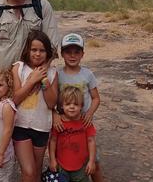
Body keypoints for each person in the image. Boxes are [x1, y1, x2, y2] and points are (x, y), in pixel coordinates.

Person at [53, 33, 103, 182]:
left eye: (77, 52)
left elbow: (96, 98)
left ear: (82, 54)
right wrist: (55, 114)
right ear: (62, 54)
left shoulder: (87, 74)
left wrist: (90, 113)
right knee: (66, 157)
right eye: (68, 52)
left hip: (84, 123)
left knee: (94, 161)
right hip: (64, 124)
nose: (72, 56)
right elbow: (51, 100)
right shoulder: (58, 75)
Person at [12, 30, 59, 182]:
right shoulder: (19, 68)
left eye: (42, 50)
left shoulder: (52, 73)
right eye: (34, 50)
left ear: (47, 53)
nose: (37, 54)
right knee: (29, 171)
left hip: (42, 127)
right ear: (27, 50)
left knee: (36, 172)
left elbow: (52, 103)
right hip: (21, 126)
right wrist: (32, 80)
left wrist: (44, 80)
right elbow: (15, 99)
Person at [49, 86, 97, 182]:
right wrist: (52, 160)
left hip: (81, 168)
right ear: (62, 105)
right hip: (61, 166)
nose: (72, 106)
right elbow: (52, 141)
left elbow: (91, 141)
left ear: (81, 106)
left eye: (75, 104)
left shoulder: (85, 122)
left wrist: (92, 161)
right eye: (68, 104)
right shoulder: (58, 123)